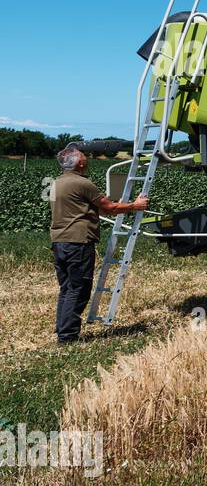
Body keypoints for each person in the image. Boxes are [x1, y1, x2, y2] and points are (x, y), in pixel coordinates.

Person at [50, 146, 149, 344]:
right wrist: (135, 206)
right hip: (78, 241)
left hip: (59, 241)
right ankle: (67, 337)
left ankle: (62, 330)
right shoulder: (82, 183)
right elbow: (109, 208)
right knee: (79, 289)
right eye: (85, 157)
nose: (87, 159)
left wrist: (118, 206)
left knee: (67, 287)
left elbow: (87, 209)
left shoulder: (56, 183)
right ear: (79, 163)